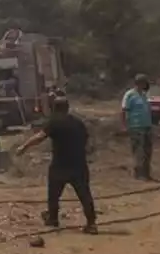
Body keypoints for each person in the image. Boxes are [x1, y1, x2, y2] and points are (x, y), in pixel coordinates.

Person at [15, 93, 98, 234]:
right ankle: (91, 224)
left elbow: (40, 137)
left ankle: (53, 218)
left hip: (60, 165)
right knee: (85, 194)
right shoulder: (78, 123)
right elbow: (88, 143)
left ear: (54, 108)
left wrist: (23, 147)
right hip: (79, 165)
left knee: (53, 194)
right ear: (67, 108)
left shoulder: (54, 122)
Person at [120, 74, 154, 180]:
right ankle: (139, 174)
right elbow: (124, 111)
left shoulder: (144, 95)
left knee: (147, 151)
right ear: (138, 83)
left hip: (147, 126)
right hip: (136, 126)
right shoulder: (129, 95)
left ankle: (146, 173)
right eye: (143, 83)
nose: (145, 85)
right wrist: (124, 126)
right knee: (139, 151)